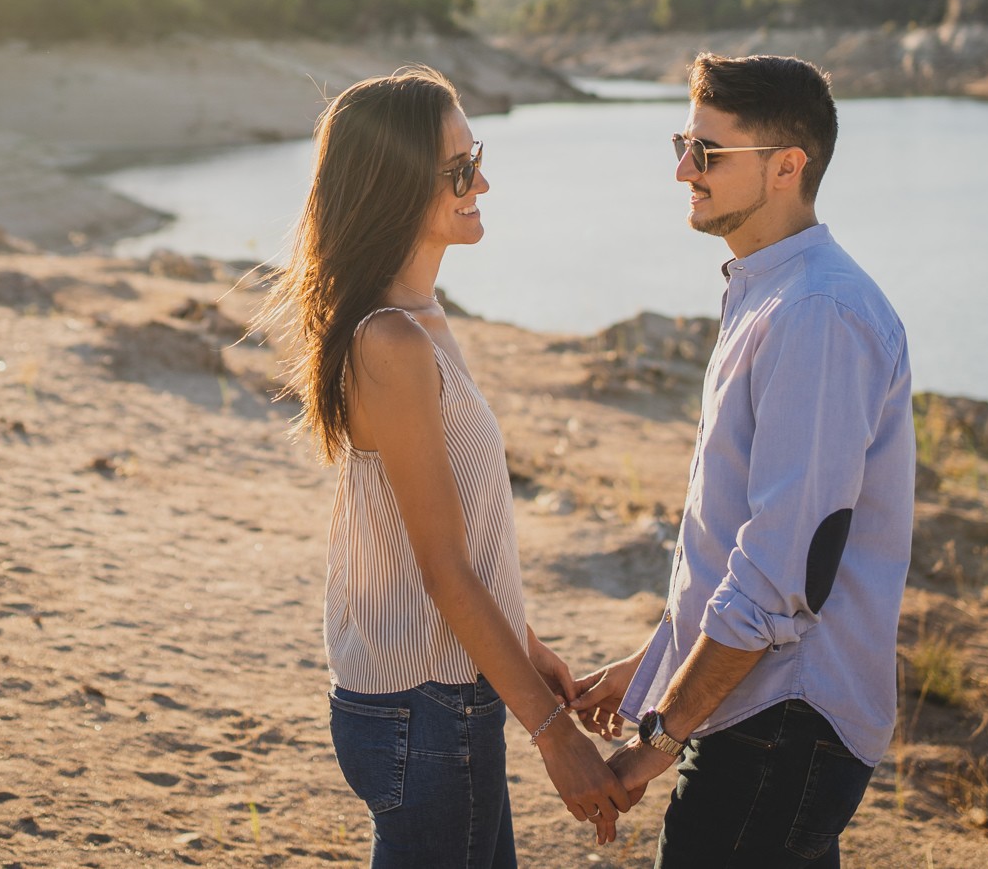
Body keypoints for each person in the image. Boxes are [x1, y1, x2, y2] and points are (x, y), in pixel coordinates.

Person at [257, 67, 631, 867]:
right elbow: (442, 568)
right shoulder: (390, 341)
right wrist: (555, 735)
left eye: (477, 155)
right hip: (424, 708)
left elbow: (454, 534)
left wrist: (524, 644)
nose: (482, 180)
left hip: (437, 698)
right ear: (395, 187)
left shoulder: (419, 320)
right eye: (459, 168)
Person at [571, 53, 915, 866]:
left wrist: (657, 738)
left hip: (780, 728)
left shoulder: (815, 312)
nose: (683, 169)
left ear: (788, 166)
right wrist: (657, 663)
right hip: (759, 717)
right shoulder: (772, 290)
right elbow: (736, 536)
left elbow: (782, 569)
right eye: (683, 142)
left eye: (708, 152)